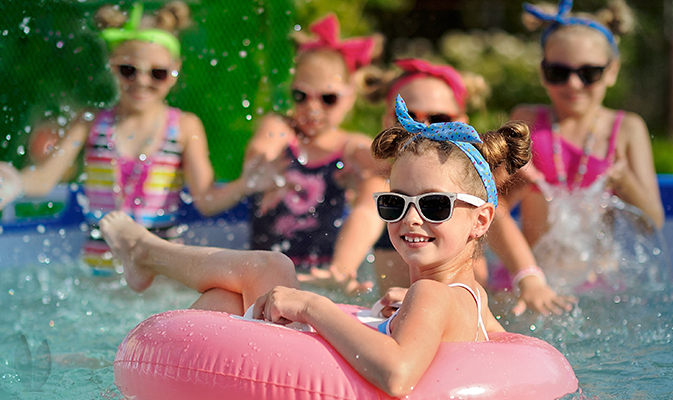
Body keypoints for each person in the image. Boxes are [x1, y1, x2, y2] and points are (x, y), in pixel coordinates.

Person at [97, 94, 521, 397]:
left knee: (269, 270)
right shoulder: (468, 298)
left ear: (481, 219)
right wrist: (411, 313)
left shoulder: (431, 294)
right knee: (226, 299)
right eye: (395, 203)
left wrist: (311, 306)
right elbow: (500, 347)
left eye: (434, 205)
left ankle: (145, 253)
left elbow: (397, 375)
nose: (411, 217)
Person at [0, 2, 237, 271]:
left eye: (157, 73)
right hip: (100, 270)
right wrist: (14, 181)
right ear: (112, 64)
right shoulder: (90, 122)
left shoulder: (184, 126)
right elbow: (43, 180)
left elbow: (207, 200)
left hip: (162, 272)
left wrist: (249, 182)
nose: (142, 82)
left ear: (175, 71)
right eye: (129, 70)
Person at [360, 58, 573, 315]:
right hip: (405, 306)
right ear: (387, 121)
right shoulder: (379, 182)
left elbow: (496, 221)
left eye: (438, 118)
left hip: (457, 307)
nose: (423, 129)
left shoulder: (466, 183)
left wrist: (528, 278)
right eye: (407, 117)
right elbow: (364, 214)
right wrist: (343, 267)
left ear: (460, 122)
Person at [204, 14, 386, 294]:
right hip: (265, 269)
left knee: (376, 187)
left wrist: (380, 166)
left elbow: (377, 159)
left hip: (318, 272)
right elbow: (263, 146)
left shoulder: (348, 146)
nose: (313, 108)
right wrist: (261, 161)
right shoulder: (280, 129)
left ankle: (341, 271)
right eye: (302, 96)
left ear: (349, 98)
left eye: (328, 99)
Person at [506, 0, 666, 292]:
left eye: (589, 73)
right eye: (558, 72)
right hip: (531, 278)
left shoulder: (627, 129)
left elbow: (653, 222)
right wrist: (515, 182)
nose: (574, 84)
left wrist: (624, 181)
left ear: (612, 71)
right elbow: (491, 208)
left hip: (600, 283)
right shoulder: (526, 122)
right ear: (542, 71)